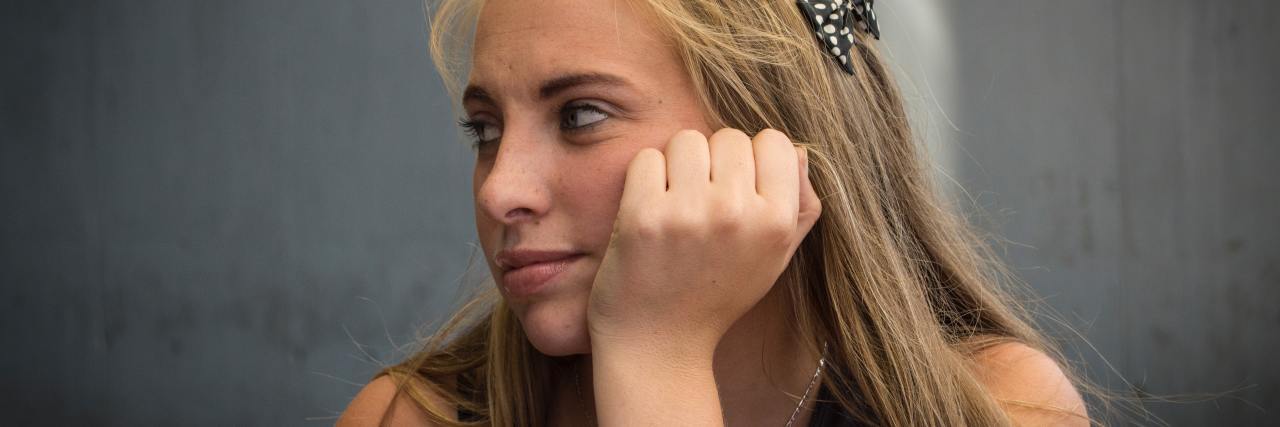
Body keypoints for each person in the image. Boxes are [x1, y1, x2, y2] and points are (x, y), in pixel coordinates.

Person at [339, 0, 1090, 425]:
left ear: (768, 130)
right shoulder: (406, 420)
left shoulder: (993, 407)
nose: (501, 189)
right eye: (485, 129)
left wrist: (653, 354)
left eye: (580, 115)